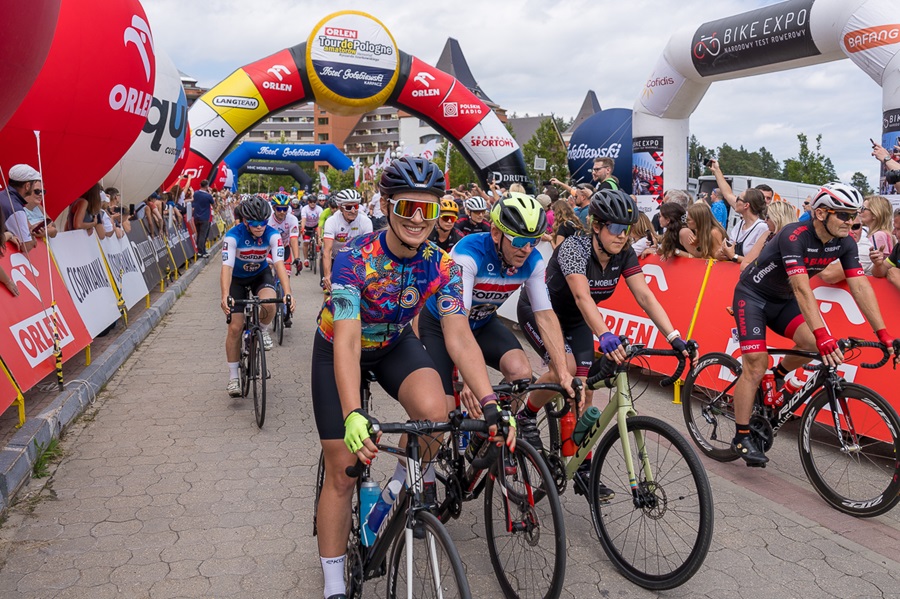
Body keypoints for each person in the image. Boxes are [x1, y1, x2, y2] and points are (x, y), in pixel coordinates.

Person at [311, 157, 514, 599]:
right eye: (408, 208)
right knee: (343, 470)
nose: (418, 221)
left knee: (435, 414)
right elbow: (346, 341)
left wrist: (490, 400)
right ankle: (332, 584)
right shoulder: (353, 259)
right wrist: (352, 414)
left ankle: (397, 489)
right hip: (339, 349)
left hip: (392, 345)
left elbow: (459, 336)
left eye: (429, 210)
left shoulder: (442, 265)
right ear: (386, 205)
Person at [518, 189, 690, 496]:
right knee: (565, 368)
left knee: (584, 394)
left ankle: (582, 465)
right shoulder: (574, 247)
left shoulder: (624, 253)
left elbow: (645, 296)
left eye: (627, 229)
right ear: (596, 226)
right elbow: (583, 298)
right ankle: (526, 414)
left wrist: (674, 336)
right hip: (541, 312)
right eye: (615, 228)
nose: (622, 236)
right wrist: (605, 335)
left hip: (576, 322)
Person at [729, 183, 896, 466]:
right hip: (753, 296)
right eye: (843, 215)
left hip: (782, 300)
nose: (851, 221)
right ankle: (742, 434)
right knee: (756, 364)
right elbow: (802, 288)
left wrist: (884, 333)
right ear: (820, 213)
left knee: (808, 342)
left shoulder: (846, 243)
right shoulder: (793, 235)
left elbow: (860, 287)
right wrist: (823, 335)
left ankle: (779, 374)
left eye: (854, 214)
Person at [419, 193, 576, 445]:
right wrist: (473, 382)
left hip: (482, 323)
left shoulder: (532, 260)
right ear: (495, 233)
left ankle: (489, 434)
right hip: (442, 325)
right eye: (519, 240)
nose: (527, 249)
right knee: (439, 410)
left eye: (533, 241)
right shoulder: (468, 253)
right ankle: (408, 477)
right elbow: (460, 320)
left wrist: (562, 371)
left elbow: (545, 316)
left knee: (521, 373)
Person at [221, 196, 294, 396]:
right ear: (245, 221)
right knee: (235, 327)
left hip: (259, 275)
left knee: (270, 304)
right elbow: (226, 268)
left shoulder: (272, 234)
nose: (259, 227)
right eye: (254, 223)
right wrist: (225, 295)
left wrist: (288, 293)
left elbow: (279, 264)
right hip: (236, 279)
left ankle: (261, 329)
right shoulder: (233, 236)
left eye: (263, 222)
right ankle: (234, 377)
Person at [321, 188, 372, 291]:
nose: (353, 211)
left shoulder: (365, 221)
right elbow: (328, 250)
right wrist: (327, 276)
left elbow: (368, 250)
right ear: (340, 208)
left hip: (356, 260)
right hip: (334, 258)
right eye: (349, 207)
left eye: (356, 206)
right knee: (329, 292)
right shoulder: (332, 221)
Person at [739, 200, 797, 270]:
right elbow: (745, 264)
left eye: (767, 217)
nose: (765, 220)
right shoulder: (767, 234)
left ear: (778, 218)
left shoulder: (795, 240)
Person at [717, 189, 768, 266]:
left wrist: (733, 256)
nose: (735, 202)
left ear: (746, 205)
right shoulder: (739, 224)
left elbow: (758, 262)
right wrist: (721, 254)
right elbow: (729, 248)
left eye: (738, 199)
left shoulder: (762, 228)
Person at [0, 164, 43, 252]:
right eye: (34, 184)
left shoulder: (2, 195)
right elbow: (26, 247)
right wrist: (32, 236)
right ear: (27, 186)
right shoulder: (16, 209)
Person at [267, 193, 301, 277]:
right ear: (274, 208)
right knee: (267, 271)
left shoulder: (292, 219)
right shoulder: (268, 220)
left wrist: (297, 258)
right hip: (269, 249)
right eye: (279, 209)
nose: (282, 212)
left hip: (284, 248)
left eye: (285, 209)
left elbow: (293, 239)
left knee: (286, 276)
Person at [190, 180, 215, 258]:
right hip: (204, 217)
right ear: (207, 186)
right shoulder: (208, 196)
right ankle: (201, 251)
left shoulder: (196, 193)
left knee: (199, 233)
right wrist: (210, 193)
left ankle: (200, 250)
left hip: (196, 216)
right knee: (202, 235)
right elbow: (214, 204)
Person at [300, 194, 324, 270]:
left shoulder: (319, 209)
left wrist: (321, 229)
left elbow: (320, 219)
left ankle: (316, 244)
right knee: (306, 243)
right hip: (307, 226)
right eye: (311, 202)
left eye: (314, 202)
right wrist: (303, 228)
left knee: (318, 232)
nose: (312, 203)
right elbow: (303, 219)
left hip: (315, 225)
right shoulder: (304, 209)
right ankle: (306, 259)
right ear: (308, 202)